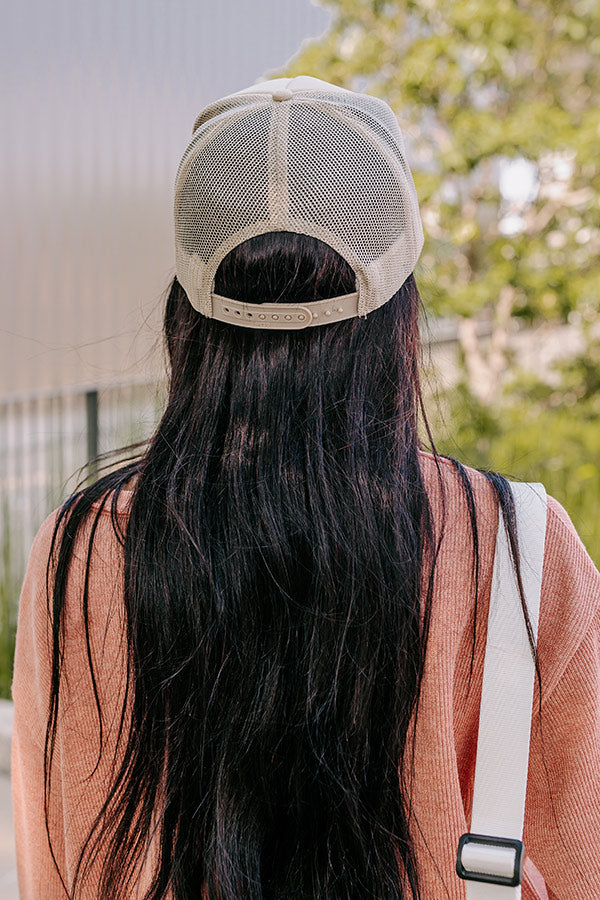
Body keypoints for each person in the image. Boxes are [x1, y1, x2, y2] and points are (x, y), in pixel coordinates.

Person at [11, 75, 600, 900]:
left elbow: (57, 865)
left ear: (189, 312)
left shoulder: (84, 550)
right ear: (399, 308)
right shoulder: (521, 549)